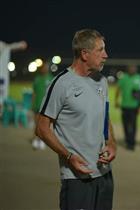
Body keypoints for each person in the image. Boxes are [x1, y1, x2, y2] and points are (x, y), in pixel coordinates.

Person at [35, 29, 117, 210]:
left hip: (104, 174)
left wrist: (111, 142)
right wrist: (69, 156)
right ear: (84, 54)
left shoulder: (101, 80)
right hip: (76, 178)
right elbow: (41, 128)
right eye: (100, 50)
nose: (106, 55)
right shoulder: (61, 84)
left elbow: (105, 117)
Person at [115, 65, 140, 150]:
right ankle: (127, 140)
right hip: (124, 106)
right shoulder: (123, 78)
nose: (132, 69)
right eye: (130, 68)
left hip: (134, 106)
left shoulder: (139, 78)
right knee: (126, 125)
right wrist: (116, 100)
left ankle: (132, 143)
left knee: (133, 125)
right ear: (127, 70)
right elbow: (118, 89)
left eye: (133, 68)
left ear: (136, 69)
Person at [0, 40, 27, 115]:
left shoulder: (2, 47)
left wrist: (19, 45)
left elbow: (8, 47)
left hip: (2, 78)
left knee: (1, 97)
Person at [31, 61, 53, 150]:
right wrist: (32, 104)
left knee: (44, 125)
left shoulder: (50, 78)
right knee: (36, 124)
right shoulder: (37, 79)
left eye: (46, 67)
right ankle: (36, 140)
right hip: (37, 104)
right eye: (44, 67)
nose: (45, 69)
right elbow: (34, 92)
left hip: (46, 105)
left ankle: (43, 141)